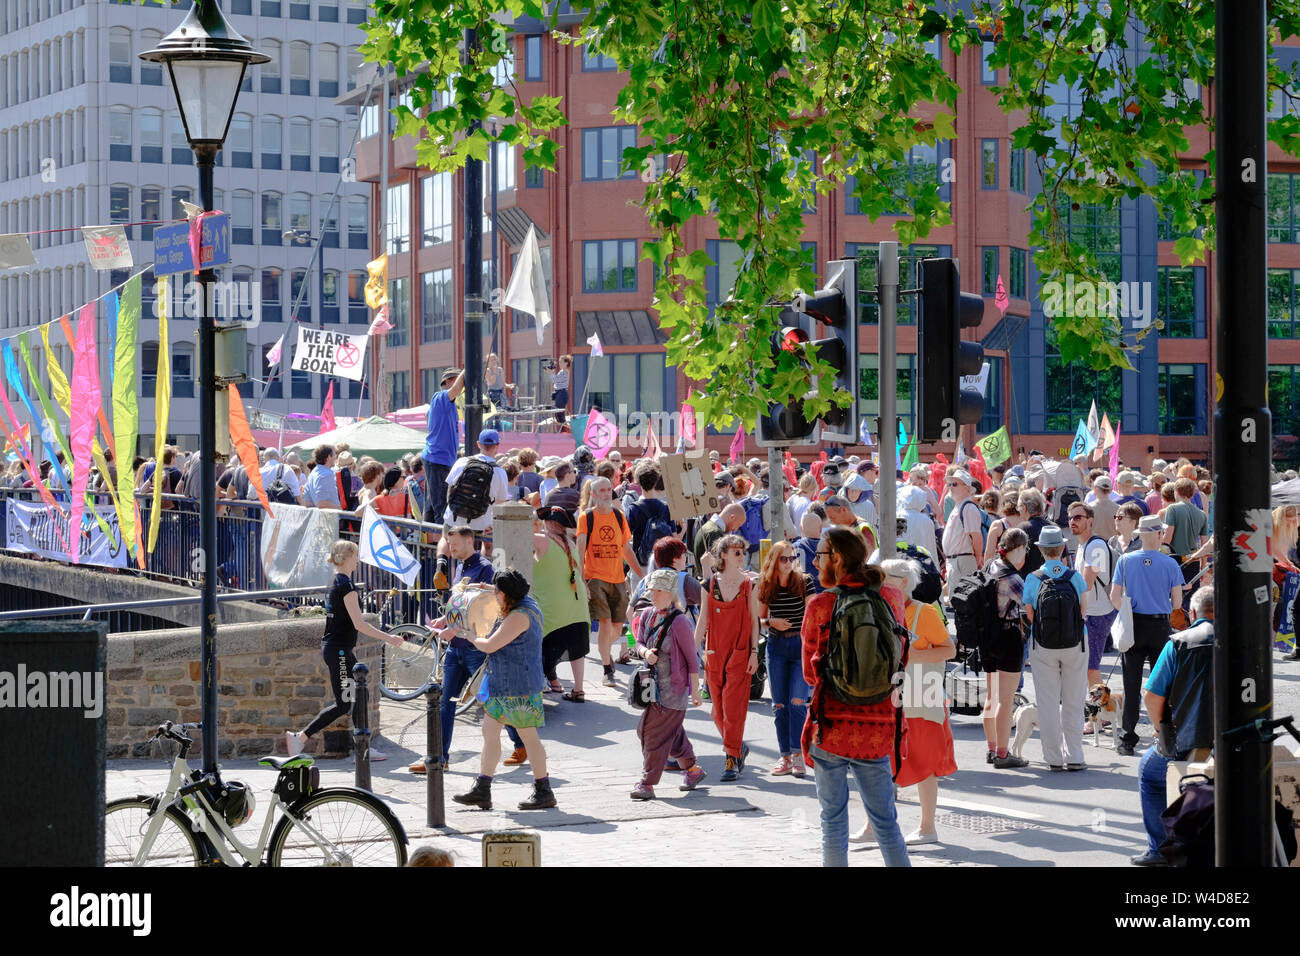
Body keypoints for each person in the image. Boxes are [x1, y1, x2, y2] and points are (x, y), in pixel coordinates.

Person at [802, 527, 910, 867]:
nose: (815, 560)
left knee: (832, 820)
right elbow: (900, 655)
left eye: (820, 555)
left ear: (835, 559)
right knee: (885, 822)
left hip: (831, 724)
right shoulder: (890, 598)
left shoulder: (820, 604)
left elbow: (809, 672)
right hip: (877, 723)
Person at [409, 526, 524, 774]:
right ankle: (440, 757)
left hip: (474, 647)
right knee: (446, 702)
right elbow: (459, 602)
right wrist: (445, 619)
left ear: (470, 540)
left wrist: (457, 626)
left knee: (491, 700)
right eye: (450, 544)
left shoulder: (485, 568)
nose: (452, 548)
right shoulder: (460, 566)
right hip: (456, 647)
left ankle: (521, 744)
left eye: (456, 543)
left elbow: (487, 608)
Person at [285, 541, 405, 759]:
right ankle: (301, 738)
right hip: (338, 650)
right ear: (347, 557)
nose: (357, 560)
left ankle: (362, 746)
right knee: (345, 703)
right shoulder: (346, 586)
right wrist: (389, 638)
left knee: (359, 694)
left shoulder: (335, 581)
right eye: (355, 556)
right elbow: (359, 623)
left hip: (338, 649)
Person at [452, 570, 557, 811]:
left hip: (519, 688)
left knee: (529, 738)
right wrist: (486, 588)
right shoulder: (524, 600)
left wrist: (470, 636)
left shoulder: (520, 616)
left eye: (497, 592)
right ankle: (483, 788)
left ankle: (544, 790)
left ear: (507, 595)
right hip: (503, 684)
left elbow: (490, 646)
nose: (495, 595)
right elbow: (499, 592)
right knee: (489, 732)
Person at [1132, 586, 1216, 866]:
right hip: (1232, 741)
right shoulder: (1244, 640)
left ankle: (1159, 849)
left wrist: (1159, 730)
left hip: (1185, 742)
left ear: (1193, 613)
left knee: (1149, 772)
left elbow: (1152, 695)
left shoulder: (1179, 642)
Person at [880, 557, 957, 845]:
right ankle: (873, 825)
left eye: (884, 579)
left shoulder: (924, 613)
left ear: (902, 584)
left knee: (924, 761)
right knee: (881, 762)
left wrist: (909, 657)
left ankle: (927, 827)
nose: (878, 585)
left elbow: (949, 650)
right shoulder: (881, 612)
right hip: (889, 698)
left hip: (922, 697)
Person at [1109, 515, 1185, 756]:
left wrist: (1127, 610)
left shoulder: (1125, 560)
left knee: (1131, 683)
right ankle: (1163, 734)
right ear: (1160, 535)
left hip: (1134, 623)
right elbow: (1177, 603)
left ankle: (1127, 738)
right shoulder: (1170, 564)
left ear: (1140, 534)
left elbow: (1114, 596)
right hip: (1159, 626)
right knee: (1162, 684)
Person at [629, 568, 707, 799]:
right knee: (666, 732)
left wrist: (695, 691)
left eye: (658, 591)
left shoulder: (680, 622)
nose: (653, 595)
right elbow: (638, 642)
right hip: (651, 689)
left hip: (673, 691)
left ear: (671, 593)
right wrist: (645, 653)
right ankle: (692, 770)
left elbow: (692, 659)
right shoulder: (647, 615)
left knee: (651, 734)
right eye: (651, 591)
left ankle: (647, 782)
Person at [1022, 525, 1089, 771]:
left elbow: (1030, 613)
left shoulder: (1034, 578)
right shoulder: (1075, 577)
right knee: (1073, 699)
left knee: (1048, 701)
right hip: (1075, 643)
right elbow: (1083, 610)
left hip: (1043, 644)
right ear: (1062, 549)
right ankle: (1075, 755)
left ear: (1041, 551)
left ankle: (1053, 757)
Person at [694, 533, 761, 781]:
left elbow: (754, 621)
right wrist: (691, 653)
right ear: (723, 555)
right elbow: (703, 621)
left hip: (741, 653)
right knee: (717, 712)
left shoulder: (749, 585)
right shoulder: (708, 584)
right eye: (736, 552)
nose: (742, 556)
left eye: (743, 552)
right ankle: (738, 746)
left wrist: (754, 652)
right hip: (714, 653)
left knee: (733, 709)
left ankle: (731, 759)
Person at [576, 476, 643, 687]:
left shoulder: (618, 515)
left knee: (616, 627)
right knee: (605, 624)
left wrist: (641, 574)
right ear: (593, 494)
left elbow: (625, 548)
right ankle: (607, 671)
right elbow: (579, 550)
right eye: (602, 490)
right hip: (595, 578)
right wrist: (581, 580)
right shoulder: (586, 517)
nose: (606, 493)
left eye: (608, 490)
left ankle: (604, 650)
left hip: (618, 579)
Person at [757, 541, 812, 777]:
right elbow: (757, 620)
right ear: (774, 560)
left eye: (792, 558)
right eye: (784, 559)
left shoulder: (804, 581)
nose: (789, 563)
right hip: (776, 645)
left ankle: (798, 754)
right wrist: (772, 622)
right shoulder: (766, 583)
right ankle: (785, 757)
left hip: (800, 645)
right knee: (779, 705)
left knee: (797, 702)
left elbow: (812, 613)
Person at [533, 506, 592, 700]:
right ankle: (578, 689)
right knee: (577, 649)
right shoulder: (570, 542)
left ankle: (540, 685)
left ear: (548, 523)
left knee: (540, 645)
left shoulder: (542, 540)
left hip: (553, 606)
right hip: (577, 604)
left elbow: (512, 540)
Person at [982, 527, 1029, 767]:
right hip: (1008, 638)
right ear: (1019, 549)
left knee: (992, 696)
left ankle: (991, 748)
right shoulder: (1013, 579)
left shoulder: (990, 566)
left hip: (987, 636)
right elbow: (1030, 606)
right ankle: (1002, 753)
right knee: (1006, 699)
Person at [1067, 502, 1119, 691]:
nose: (1073, 521)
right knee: (1086, 667)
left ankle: (1102, 715)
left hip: (1098, 614)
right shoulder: (1083, 545)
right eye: (1070, 517)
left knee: (1090, 668)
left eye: (1078, 517)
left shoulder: (1096, 546)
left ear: (1090, 521)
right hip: (1089, 612)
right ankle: (1095, 711)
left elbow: (1086, 583)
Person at [422, 368, 465, 525]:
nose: (462, 384)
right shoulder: (440, 398)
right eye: (457, 378)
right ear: (447, 381)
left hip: (439, 458)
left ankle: (431, 543)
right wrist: (468, 368)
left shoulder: (445, 404)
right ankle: (442, 546)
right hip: (438, 459)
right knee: (441, 507)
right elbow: (457, 388)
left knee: (433, 505)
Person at [941, 468, 983, 594]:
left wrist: (974, 560)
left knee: (963, 603)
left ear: (966, 487)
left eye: (955, 484)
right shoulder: (960, 506)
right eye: (950, 484)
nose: (950, 487)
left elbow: (976, 537)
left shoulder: (968, 507)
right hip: (957, 561)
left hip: (962, 561)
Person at [1164, 477, 1209, 589]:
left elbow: (1167, 539)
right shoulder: (1202, 514)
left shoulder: (1172, 509)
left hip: (1174, 561)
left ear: (1176, 491)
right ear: (1192, 494)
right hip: (1193, 561)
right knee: (1190, 602)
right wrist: (1202, 567)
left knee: (1174, 600)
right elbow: (1205, 544)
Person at [692, 502, 745, 572]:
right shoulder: (715, 532)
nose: (735, 529)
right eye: (738, 524)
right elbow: (718, 565)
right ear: (732, 517)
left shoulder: (710, 527)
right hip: (711, 580)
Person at [300, 445, 341, 509]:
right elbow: (322, 503)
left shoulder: (313, 473)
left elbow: (306, 502)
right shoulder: (326, 475)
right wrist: (339, 509)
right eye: (334, 455)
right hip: (330, 516)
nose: (335, 457)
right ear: (328, 457)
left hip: (320, 515)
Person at [551, 354, 572, 425]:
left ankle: (563, 424)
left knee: (559, 411)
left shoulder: (565, 371)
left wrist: (551, 373)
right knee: (557, 411)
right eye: (559, 362)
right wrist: (552, 372)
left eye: (561, 362)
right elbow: (556, 380)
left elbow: (556, 380)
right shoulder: (561, 371)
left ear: (566, 363)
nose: (559, 364)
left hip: (562, 393)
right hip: (559, 393)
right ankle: (562, 425)